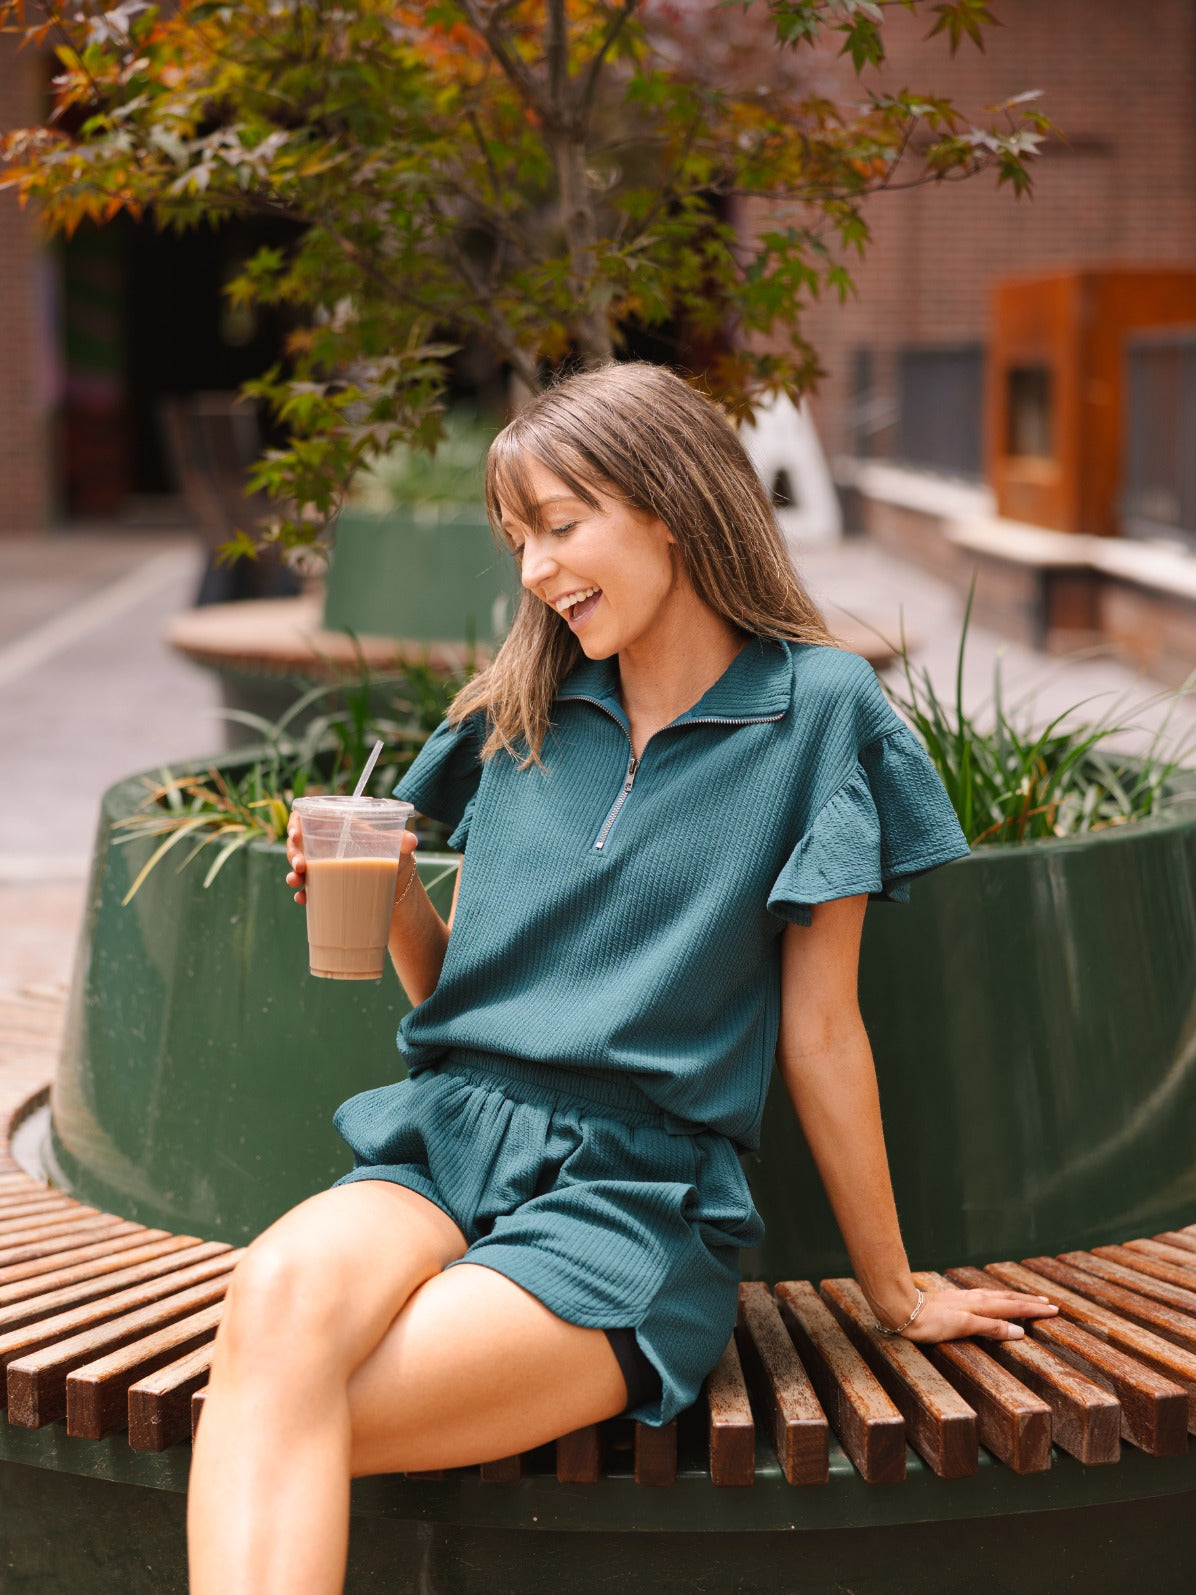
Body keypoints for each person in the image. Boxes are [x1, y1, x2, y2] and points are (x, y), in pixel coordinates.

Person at [187, 362, 1058, 1594]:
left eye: (559, 524)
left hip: (630, 1195)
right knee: (272, 1300)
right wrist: (392, 896)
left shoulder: (816, 709)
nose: (536, 569)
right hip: (445, 1140)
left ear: (670, 503)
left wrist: (895, 1294)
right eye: (518, 540)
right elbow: (460, 994)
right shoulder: (522, 704)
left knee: (267, 1398)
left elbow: (820, 1032)